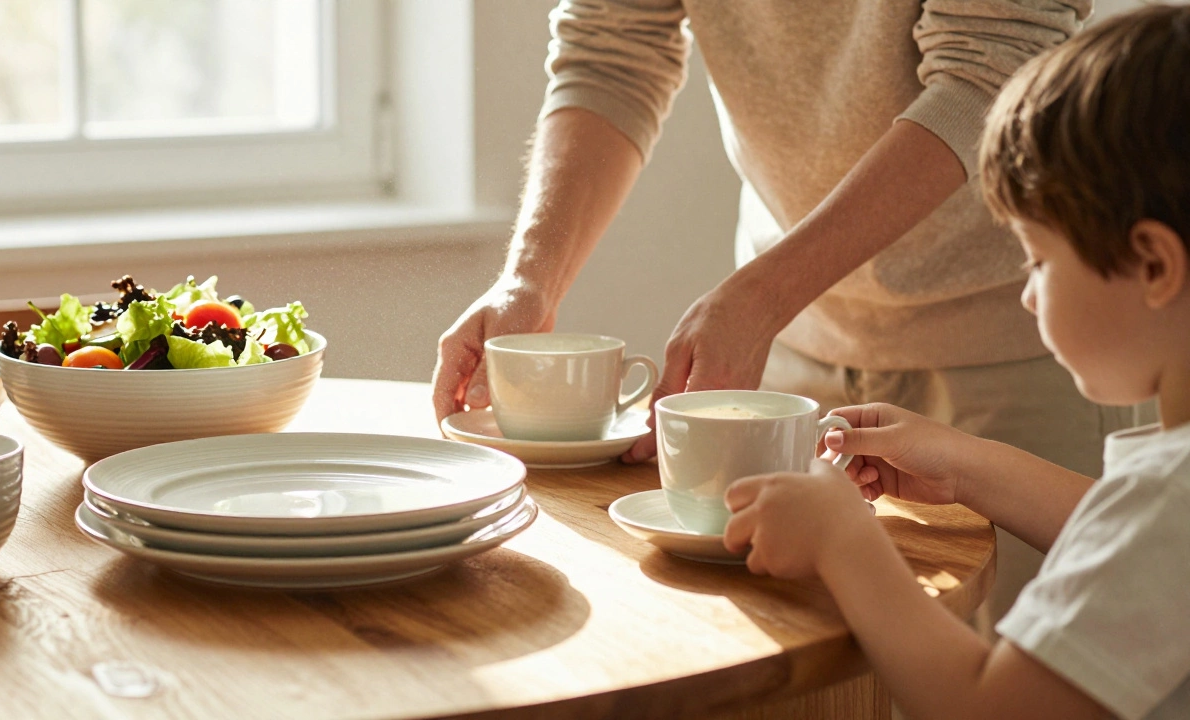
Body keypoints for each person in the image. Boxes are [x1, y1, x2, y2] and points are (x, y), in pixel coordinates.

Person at [431, 0, 1129, 624]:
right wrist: (529, 280)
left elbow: (990, 74)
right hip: (793, 348)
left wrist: (764, 295)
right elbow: (611, 53)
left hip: (1017, 342)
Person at [722, 7, 1190, 718]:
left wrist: (845, 542)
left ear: (1154, 264)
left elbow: (990, 709)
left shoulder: (1167, 496)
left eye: (1037, 261)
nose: (1029, 298)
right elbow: (1143, 549)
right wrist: (962, 464)